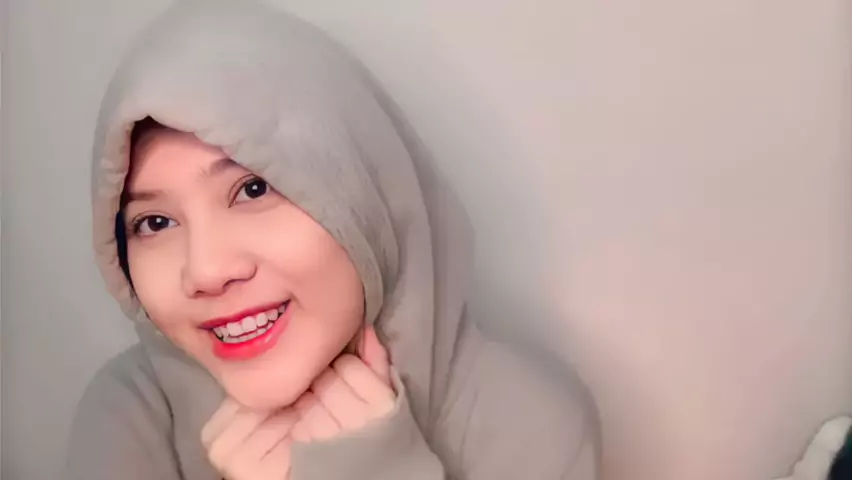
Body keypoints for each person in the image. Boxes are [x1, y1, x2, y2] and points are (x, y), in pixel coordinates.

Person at [67, 1, 598, 479]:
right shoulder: (130, 416)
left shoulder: (528, 424)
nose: (206, 271)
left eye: (253, 189)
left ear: (362, 194)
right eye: (154, 223)